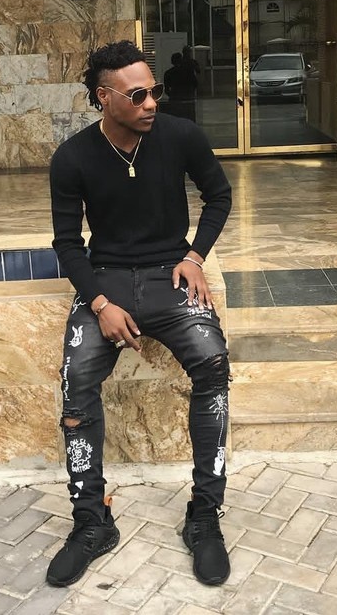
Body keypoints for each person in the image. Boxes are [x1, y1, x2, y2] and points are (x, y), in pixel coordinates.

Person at [46, 40, 232, 588]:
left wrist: (195, 257)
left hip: (170, 277)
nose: (151, 102)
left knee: (213, 364)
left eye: (155, 91)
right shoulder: (73, 157)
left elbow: (219, 196)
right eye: (137, 95)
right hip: (106, 282)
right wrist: (99, 303)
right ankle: (91, 522)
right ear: (104, 98)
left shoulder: (181, 136)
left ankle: (204, 515)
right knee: (76, 378)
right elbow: (67, 244)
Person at [163, 51, 197, 121]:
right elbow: (195, 83)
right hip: (187, 98)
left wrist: (173, 95)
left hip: (174, 99)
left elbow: (166, 90)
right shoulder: (188, 72)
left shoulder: (168, 73)